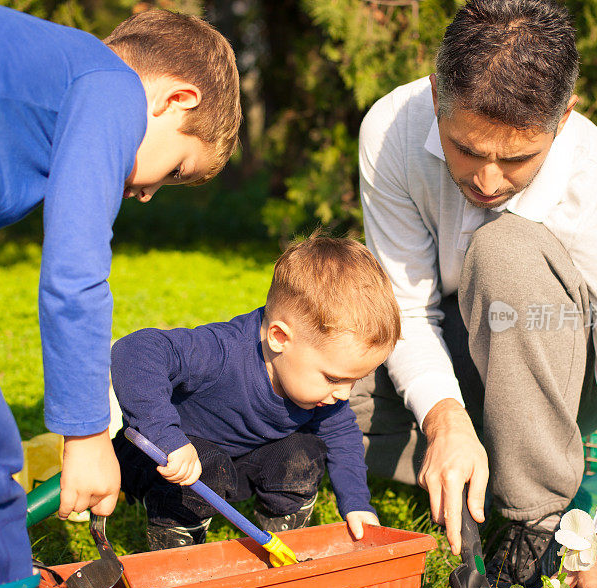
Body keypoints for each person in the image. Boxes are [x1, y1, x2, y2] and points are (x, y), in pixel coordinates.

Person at [0, 3, 240, 588]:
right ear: (176, 99)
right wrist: (87, 434)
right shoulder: (108, 85)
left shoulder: (36, 103)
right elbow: (75, 271)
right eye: (173, 172)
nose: (145, 194)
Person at [352, 0, 597, 588]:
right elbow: (407, 311)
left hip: (553, 384)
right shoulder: (390, 129)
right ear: (436, 92)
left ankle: (530, 521)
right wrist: (445, 417)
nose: (488, 180)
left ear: (564, 119)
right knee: (311, 375)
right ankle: (457, 460)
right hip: (460, 359)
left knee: (507, 251)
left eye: (518, 159)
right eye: (465, 148)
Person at [110, 235, 400, 550]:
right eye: (333, 378)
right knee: (209, 468)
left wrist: (356, 503)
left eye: (355, 381)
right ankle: (179, 551)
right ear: (279, 337)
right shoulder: (221, 352)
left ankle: (281, 536)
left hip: (233, 464)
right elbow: (134, 351)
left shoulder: (319, 390)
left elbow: (343, 440)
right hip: (162, 460)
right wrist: (168, 438)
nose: (343, 394)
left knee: (302, 454)